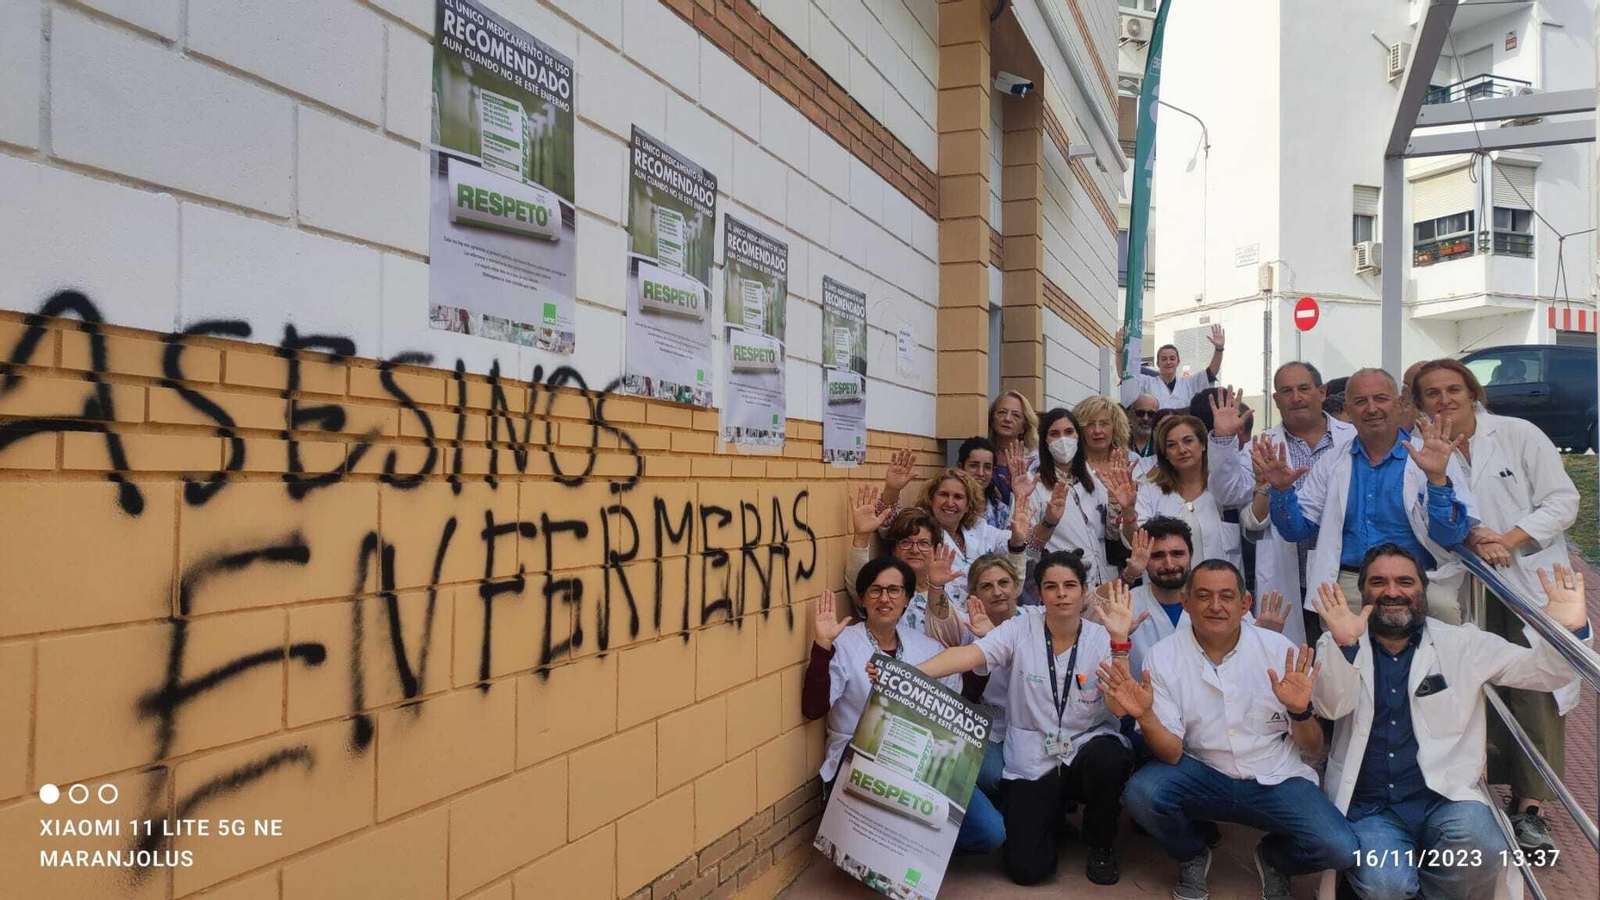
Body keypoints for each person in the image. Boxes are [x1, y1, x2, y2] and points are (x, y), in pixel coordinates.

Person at [1310, 544, 1593, 899]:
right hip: (1371, 808)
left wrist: (1568, 632)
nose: (1393, 592)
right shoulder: (1337, 641)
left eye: (1405, 582)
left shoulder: (1462, 644)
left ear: (1423, 591)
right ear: (1364, 591)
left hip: (1446, 801)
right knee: (1386, 885)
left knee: (1484, 848)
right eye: (1379, 582)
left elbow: (1545, 673)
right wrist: (1344, 647)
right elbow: (1329, 706)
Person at [1107, 560, 1358, 900]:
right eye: (1204, 596)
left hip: (1275, 776)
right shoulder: (1163, 657)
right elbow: (1171, 753)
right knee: (1142, 793)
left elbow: (1313, 750)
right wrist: (1147, 715)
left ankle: (1275, 858)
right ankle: (1193, 852)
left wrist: (1299, 712)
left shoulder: (1277, 650)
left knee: (1339, 847)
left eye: (1226, 596)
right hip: (1202, 772)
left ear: (1245, 604)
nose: (1215, 606)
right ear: (1186, 602)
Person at [1413, 358, 1582, 850]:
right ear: (1420, 403)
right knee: (1473, 684)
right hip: (1464, 583)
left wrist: (1505, 540)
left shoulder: (1518, 433)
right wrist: (1470, 535)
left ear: (1473, 394)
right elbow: (1424, 515)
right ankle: (1476, 788)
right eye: (1432, 393)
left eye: (1453, 390)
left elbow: (1561, 500)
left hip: (1529, 583)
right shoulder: (1421, 449)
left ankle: (1531, 807)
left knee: (1537, 689)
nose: (1444, 400)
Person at [918, 551, 1136, 885]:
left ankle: (1100, 842)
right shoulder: (1020, 628)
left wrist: (1120, 643)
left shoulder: (1101, 637)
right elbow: (967, 655)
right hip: (1033, 754)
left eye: (1069, 585)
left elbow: (1120, 709)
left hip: (1086, 745)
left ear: (1082, 591)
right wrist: (909, 672)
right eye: (1051, 586)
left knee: (1109, 759)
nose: (1061, 593)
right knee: (1027, 870)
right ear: (1040, 593)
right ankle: (1050, 817)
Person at [802, 557, 1006, 854]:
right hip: (861, 758)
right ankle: (889, 849)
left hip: (922, 757)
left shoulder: (925, 645)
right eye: (875, 590)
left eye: (894, 591)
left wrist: (984, 646)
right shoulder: (844, 643)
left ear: (908, 598)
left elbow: (965, 695)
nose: (885, 598)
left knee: (990, 832)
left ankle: (914, 851)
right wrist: (822, 647)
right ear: (863, 598)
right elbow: (813, 708)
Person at [1254, 367, 1484, 625]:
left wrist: (1437, 481)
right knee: (1344, 661)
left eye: (1381, 398)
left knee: (1441, 640)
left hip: (1416, 581)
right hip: (1352, 585)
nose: (1371, 408)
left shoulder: (1432, 455)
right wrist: (1283, 491)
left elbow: (1451, 536)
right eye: (1361, 401)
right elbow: (1294, 532)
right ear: (1349, 411)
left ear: (1400, 404)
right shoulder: (1332, 462)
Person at [1241, 361, 1357, 646]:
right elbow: (1251, 526)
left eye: (1304, 389)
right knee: (1292, 660)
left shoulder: (1354, 439)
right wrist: (1267, 487)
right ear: (1276, 400)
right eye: (1286, 391)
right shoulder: (1259, 447)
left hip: (1343, 576)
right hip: (1290, 573)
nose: (1296, 397)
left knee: (1345, 662)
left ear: (1322, 391)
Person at [1099, 516, 1286, 677]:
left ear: (1191, 554)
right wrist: (1130, 574)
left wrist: (1263, 636)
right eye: (1158, 556)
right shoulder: (1126, 604)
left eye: (1177, 554)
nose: (1169, 564)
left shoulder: (1221, 601)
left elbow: (1248, 664)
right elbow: (1087, 614)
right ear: (1146, 559)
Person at [921, 553, 1032, 802]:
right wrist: (937, 587)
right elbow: (942, 622)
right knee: (996, 776)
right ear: (975, 594)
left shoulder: (1036, 620)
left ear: (1015, 585)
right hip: (991, 726)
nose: (997, 591)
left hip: (1033, 723)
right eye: (986, 586)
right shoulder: (969, 625)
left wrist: (994, 635)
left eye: (1003, 583)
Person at [1135, 390, 1255, 572]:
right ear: (1164, 454)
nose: (1181, 450)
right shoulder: (1150, 491)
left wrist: (1224, 437)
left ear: (1204, 444)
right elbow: (1137, 540)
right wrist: (1128, 511)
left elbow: (1255, 523)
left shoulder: (1225, 487)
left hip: (1220, 589)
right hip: (1169, 588)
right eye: (1171, 445)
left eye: (1188, 441)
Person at [1027, 407, 1137, 591]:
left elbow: (1111, 535)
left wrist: (1118, 504)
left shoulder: (1093, 481)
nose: (1063, 440)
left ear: (1078, 437)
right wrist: (1048, 521)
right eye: (1054, 434)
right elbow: (1025, 550)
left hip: (1102, 580)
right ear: (1044, 441)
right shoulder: (1033, 484)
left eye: (1069, 432)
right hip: (1063, 584)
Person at [1118, 324, 1226, 409]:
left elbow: (1211, 372)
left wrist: (1219, 349)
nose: (1168, 362)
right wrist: (1119, 351)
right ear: (1158, 363)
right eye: (1164, 359)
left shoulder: (1189, 383)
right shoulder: (1146, 382)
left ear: (1178, 362)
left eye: (1172, 358)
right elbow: (1125, 375)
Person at [988, 390, 1040, 518]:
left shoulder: (1035, 459)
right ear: (991, 419)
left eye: (1016, 415)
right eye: (1002, 412)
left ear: (1024, 426)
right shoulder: (983, 453)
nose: (1007, 419)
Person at [957, 436, 1011, 530]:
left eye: (987, 467)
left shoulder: (1001, 511)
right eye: (974, 466)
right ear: (960, 467)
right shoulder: (949, 505)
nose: (981, 473)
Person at [1127, 392, 1162, 462]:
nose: (1145, 418)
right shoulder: (1121, 442)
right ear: (1131, 415)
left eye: (1151, 414)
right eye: (1140, 413)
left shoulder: (1162, 445)